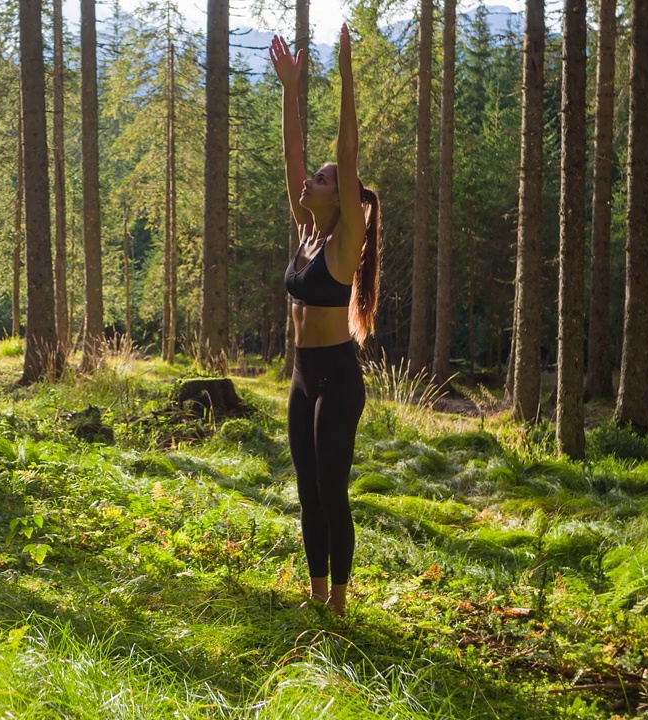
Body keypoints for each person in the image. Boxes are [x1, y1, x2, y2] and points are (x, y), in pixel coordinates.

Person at [269, 23, 381, 615]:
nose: (310, 179)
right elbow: (291, 154)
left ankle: (339, 602)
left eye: (322, 179)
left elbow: (347, 150)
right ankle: (314, 596)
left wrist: (344, 76)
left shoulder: (344, 246)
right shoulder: (308, 232)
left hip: (337, 379)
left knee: (332, 490)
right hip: (301, 374)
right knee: (307, 491)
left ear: (342, 197)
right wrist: (290, 88)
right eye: (312, 178)